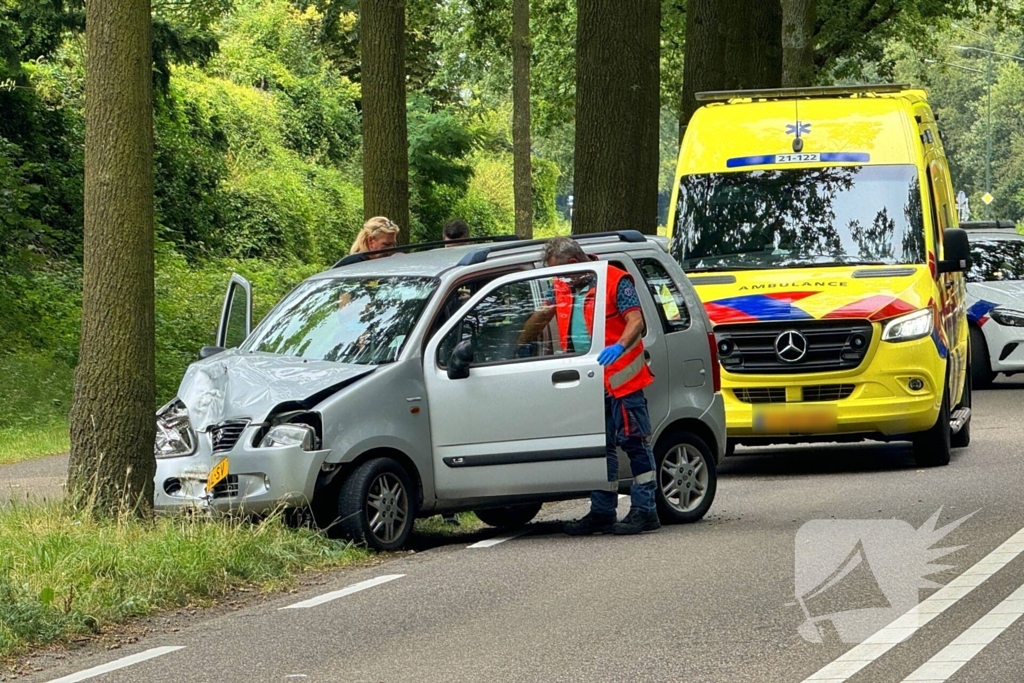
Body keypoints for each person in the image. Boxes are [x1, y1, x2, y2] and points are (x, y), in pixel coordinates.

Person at [519, 236, 660, 536]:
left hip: (623, 378)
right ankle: (602, 512)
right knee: (601, 447)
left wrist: (619, 347)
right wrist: (528, 332)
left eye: (559, 271)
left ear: (573, 264)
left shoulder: (614, 279)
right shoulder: (561, 286)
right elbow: (538, 322)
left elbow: (637, 321)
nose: (557, 278)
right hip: (589, 381)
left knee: (635, 443)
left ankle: (646, 510)